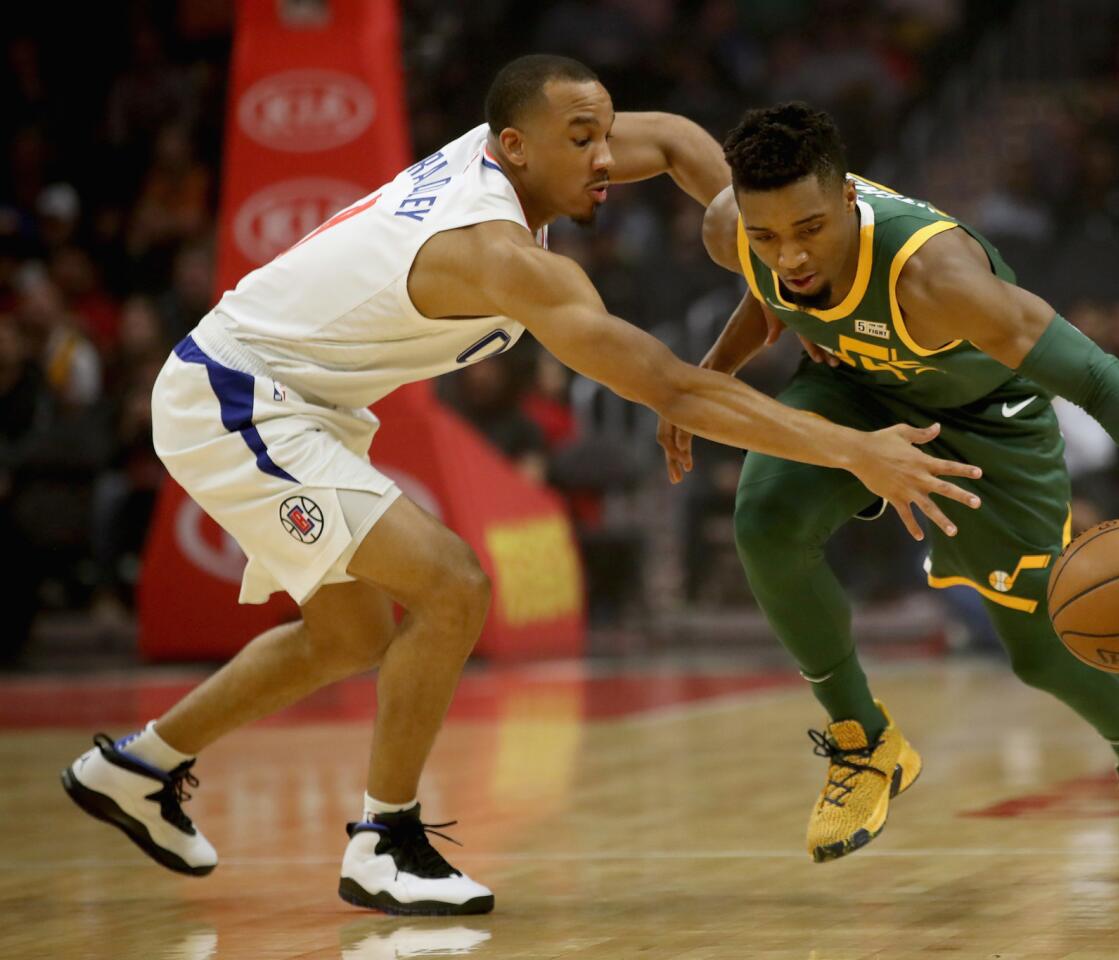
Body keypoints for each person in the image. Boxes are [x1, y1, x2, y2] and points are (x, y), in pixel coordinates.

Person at [60, 58, 982, 917]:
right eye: (583, 140)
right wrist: (855, 450)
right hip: (236, 397)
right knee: (453, 586)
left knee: (351, 633)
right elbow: (672, 386)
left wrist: (765, 265)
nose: (606, 158)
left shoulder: (534, 155)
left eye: (602, 133)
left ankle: (136, 769)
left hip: (303, 397)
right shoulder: (500, 255)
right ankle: (385, 841)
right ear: (513, 147)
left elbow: (682, 146)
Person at [657, 103, 1119, 883]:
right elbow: (771, 296)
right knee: (764, 520)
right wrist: (709, 379)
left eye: (809, 231)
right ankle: (864, 741)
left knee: (1043, 650)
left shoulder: (939, 279)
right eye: (767, 237)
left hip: (985, 425)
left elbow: (1100, 378)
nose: (790, 254)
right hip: (855, 392)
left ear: (852, 205)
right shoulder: (739, 230)